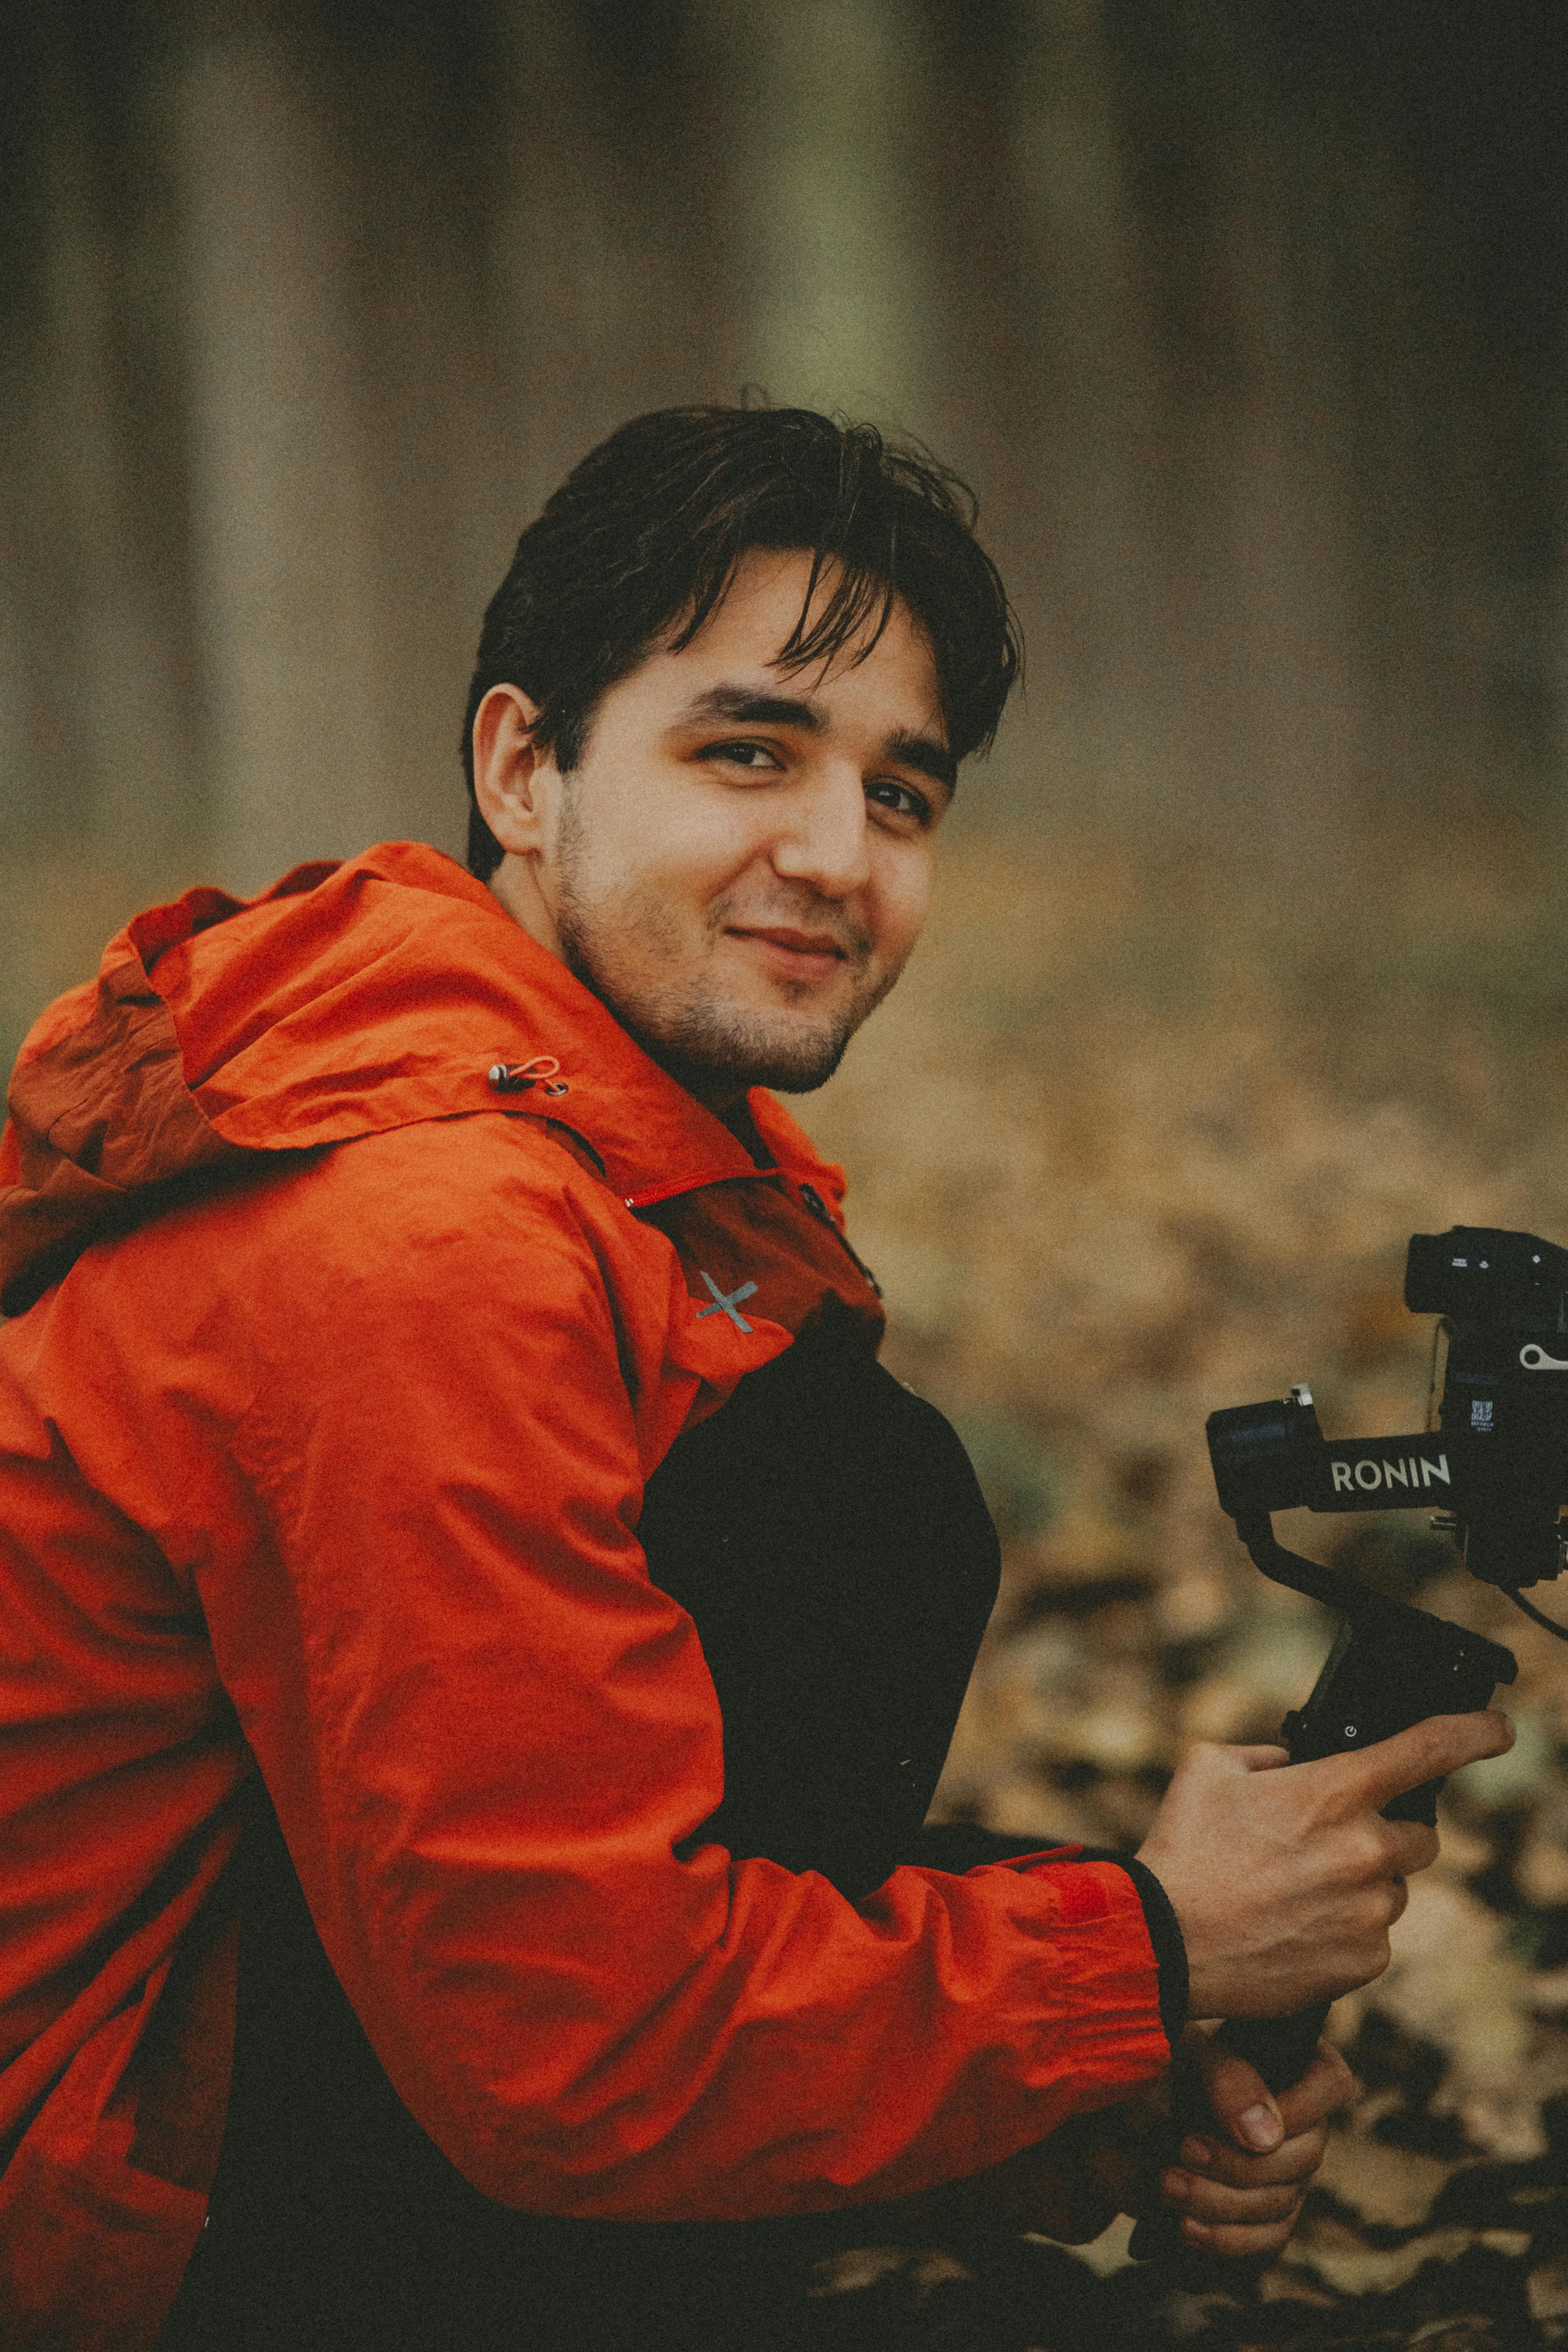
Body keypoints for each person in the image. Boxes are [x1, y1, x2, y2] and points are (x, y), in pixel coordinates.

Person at [0, 406, 1508, 2352]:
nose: (832, 856)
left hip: (256, 2069)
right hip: (97, 2221)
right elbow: (570, 2026)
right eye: (748, 751)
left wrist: (1114, 2075)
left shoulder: (610, 1155)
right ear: (523, 768)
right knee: (837, 1505)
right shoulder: (423, 1233)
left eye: (902, 794)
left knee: (838, 1485)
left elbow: (586, 1862)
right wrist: (1139, 1950)